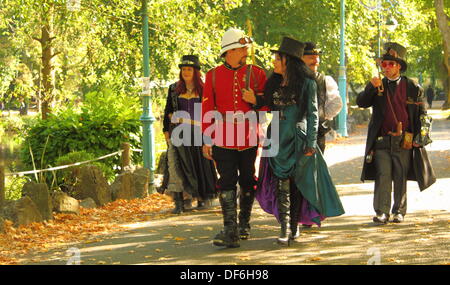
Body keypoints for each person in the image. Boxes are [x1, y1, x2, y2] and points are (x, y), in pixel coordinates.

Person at [255, 37, 345, 245]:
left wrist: (311, 143)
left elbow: (313, 114)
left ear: (288, 60)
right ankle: (285, 228)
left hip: (297, 140)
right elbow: (267, 105)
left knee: (295, 185)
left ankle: (293, 226)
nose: (275, 62)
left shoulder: (307, 83)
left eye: (278, 58)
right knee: (281, 185)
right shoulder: (274, 82)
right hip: (276, 138)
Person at [201, 28, 267, 248]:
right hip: (223, 138)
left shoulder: (257, 73)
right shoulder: (212, 76)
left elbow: (267, 105)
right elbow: (207, 109)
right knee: (226, 181)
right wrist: (207, 139)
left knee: (248, 180)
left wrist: (255, 100)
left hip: (249, 136)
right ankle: (230, 229)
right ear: (230, 51)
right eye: (242, 49)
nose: (246, 52)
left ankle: (244, 225)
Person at [357, 42, 436, 224]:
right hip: (382, 140)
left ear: (399, 66)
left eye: (390, 64)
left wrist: (421, 138)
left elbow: (424, 115)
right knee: (382, 175)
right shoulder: (377, 85)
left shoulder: (413, 87)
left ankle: (399, 211)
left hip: (404, 141)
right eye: (383, 64)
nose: (386, 68)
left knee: (400, 175)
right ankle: (382, 212)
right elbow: (361, 102)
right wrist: (370, 87)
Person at [163, 55, 218, 214]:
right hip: (178, 134)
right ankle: (181, 201)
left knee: (200, 166)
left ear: (196, 71)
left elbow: (211, 112)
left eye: (189, 69)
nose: (186, 72)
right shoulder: (174, 89)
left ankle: (202, 197)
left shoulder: (205, 89)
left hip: (199, 134)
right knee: (177, 166)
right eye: (183, 69)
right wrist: (166, 132)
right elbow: (168, 111)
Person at [301, 42, 342, 154]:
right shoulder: (293, 78)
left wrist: (322, 116)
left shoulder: (325, 80)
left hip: (316, 134)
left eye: (317, 57)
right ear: (301, 58)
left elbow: (336, 104)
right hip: (295, 133)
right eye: (311, 57)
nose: (315, 61)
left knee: (315, 168)